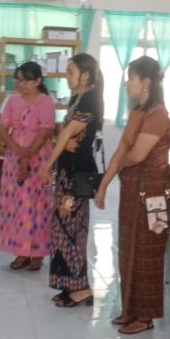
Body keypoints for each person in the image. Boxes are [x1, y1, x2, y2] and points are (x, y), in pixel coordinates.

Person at [95, 56, 170, 335]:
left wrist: (123, 161)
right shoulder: (138, 112)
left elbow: (137, 155)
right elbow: (122, 151)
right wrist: (104, 184)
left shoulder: (158, 114)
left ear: (145, 82)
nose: (127, 83)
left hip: (154, 197)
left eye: (131, 78)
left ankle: (145, 315)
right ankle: (130, 308)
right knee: (128, 250)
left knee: (148, 253)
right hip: (131, 192)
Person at [43, 54, 104, 307]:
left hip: (78, 176)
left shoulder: (90, 99)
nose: (67, 76)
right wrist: (63, 143)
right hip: (66, 173)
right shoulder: (76, 98)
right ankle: (68, 284)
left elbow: (68, 131)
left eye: (71, 71)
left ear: (85, 75)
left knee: (72, 230)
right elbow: (63, 134)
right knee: (61, 229)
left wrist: (47, 164)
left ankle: (81, 289)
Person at [0, 61, 56, 271]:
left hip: (38, 160)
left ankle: (37, 252)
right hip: (14, 160)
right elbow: (1, 127)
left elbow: (45, 131)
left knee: (36, 205)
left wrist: (28, 154)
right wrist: (16, 150)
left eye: (24, 81)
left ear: (37, 81)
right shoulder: (12, 101)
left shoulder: (46, 102)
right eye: (17, 80)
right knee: (17, 205)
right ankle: (20, 251)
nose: (19, 84)